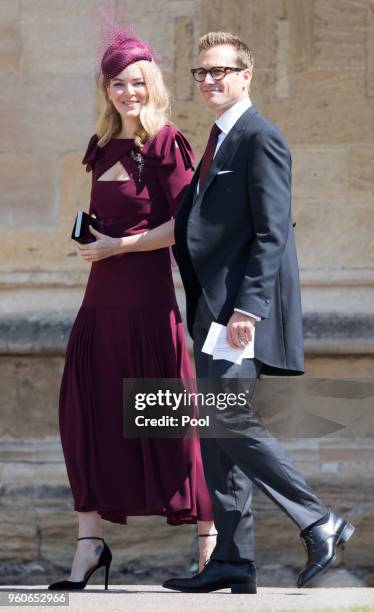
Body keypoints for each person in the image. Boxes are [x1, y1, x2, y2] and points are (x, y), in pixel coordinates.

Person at [160, 31, 355, 594]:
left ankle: (319, 520)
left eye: (221, 71)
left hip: (239, 312)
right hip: (211, 309)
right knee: (218, 433)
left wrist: (249, 309)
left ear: (246, 76)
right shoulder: (220, 139)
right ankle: (231, 559)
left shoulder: (259, 136)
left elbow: (272, 234)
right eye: (201, 73)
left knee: (231, 422)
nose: (211, 80)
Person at [48, 28, 215, 591]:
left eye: (137, 82)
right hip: (99, 305)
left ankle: (210, 547)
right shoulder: (100, 146)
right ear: (107, 89)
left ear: (153, 84)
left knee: (174, 423)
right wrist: (95, 237)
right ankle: (89, 545)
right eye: (118, 83)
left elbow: (184, 225)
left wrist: (120, 245)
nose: (128, 92)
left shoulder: (167, 143)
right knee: (85, 419)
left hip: (147, 305)